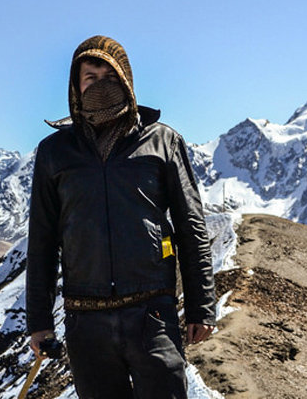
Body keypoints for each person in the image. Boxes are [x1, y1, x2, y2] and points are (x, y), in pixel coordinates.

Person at [25, 35, 216, 398]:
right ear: (76, 86)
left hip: (153, 316)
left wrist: (201, 307)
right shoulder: (55, 152)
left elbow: (191, 226)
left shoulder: (161, 141)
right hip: (86, 322)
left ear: (126, 80)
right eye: (90, 78)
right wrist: (39, 323)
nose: (100, 85)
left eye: (109, 76)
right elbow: (43, 241)